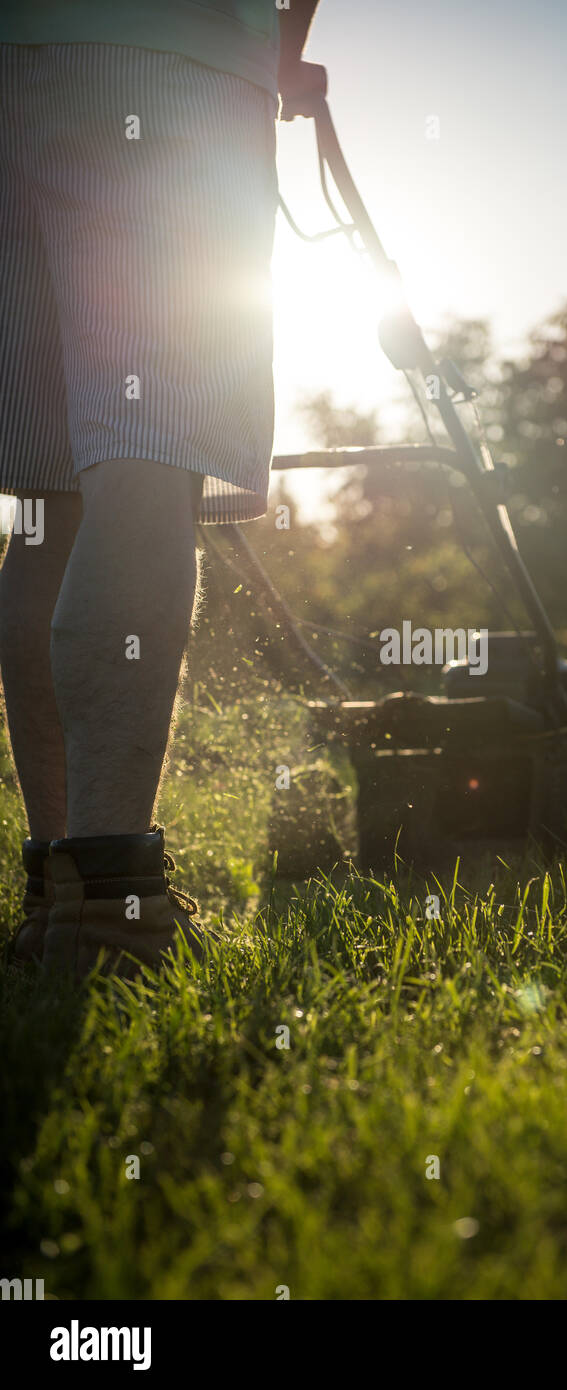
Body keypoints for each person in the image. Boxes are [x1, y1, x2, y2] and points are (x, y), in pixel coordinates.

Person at [0, 0, 320, 979]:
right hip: (160, 55)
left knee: (49, 495)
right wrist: (278, 49)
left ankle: (56, 894)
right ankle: (110, 908)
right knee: (143, 456)